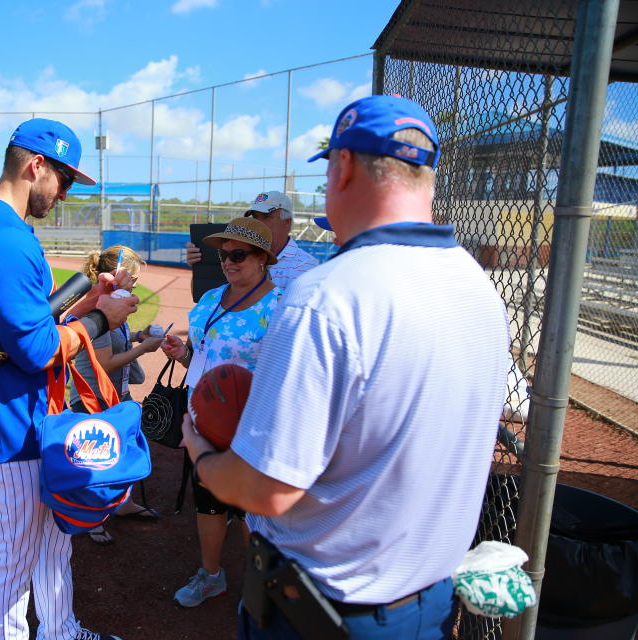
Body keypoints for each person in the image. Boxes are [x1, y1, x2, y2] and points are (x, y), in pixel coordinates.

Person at [181, 95, 511, 639]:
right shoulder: (479, 287)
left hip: (324, 611)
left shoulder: (326, 295)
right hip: (429, 603)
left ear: (345, 167)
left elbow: (267, 490)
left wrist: (202, 453)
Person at [0, 118, 136, 640]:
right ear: (36, 166)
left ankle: (61, 631)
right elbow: (34, 349)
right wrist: (104, 320)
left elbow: (31, 325)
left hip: (30, 420)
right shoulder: (2, 238)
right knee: (12, 558)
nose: (66, 193)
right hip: (1, 429)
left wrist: (89, 303)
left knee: (52, 541)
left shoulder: (1, 230)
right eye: (65, 179)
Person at [160, 217, 281, 608]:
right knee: (208, 503)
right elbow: (204, 359)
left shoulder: (279, 308)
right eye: (223, 254)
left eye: (239, 254)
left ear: (263, 258)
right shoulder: (211, 298)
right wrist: (183, 355)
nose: (228, 262)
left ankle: (260, 586)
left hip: (252, 429)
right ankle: (211, 576)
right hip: (206, 424)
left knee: (252, 514)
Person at [70, 245, 164, 546]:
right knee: (97, 463)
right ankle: (91, 517)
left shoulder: (115, 304)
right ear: (116, 275)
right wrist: (144, 348)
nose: (135, 283)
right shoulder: (100, 309)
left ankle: (123, 505)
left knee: (123, 455)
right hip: (92, 399)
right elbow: (105, 362)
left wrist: (138, 335)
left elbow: (118, 339)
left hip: (114, 395)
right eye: (132, 277)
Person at [185, 191, 319, 288]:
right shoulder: (234, 257)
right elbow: (207, 297)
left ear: (287, 222)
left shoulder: (307, 267)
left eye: (266, 216)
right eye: (255, 217)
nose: (258, 223)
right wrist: (199, 268)